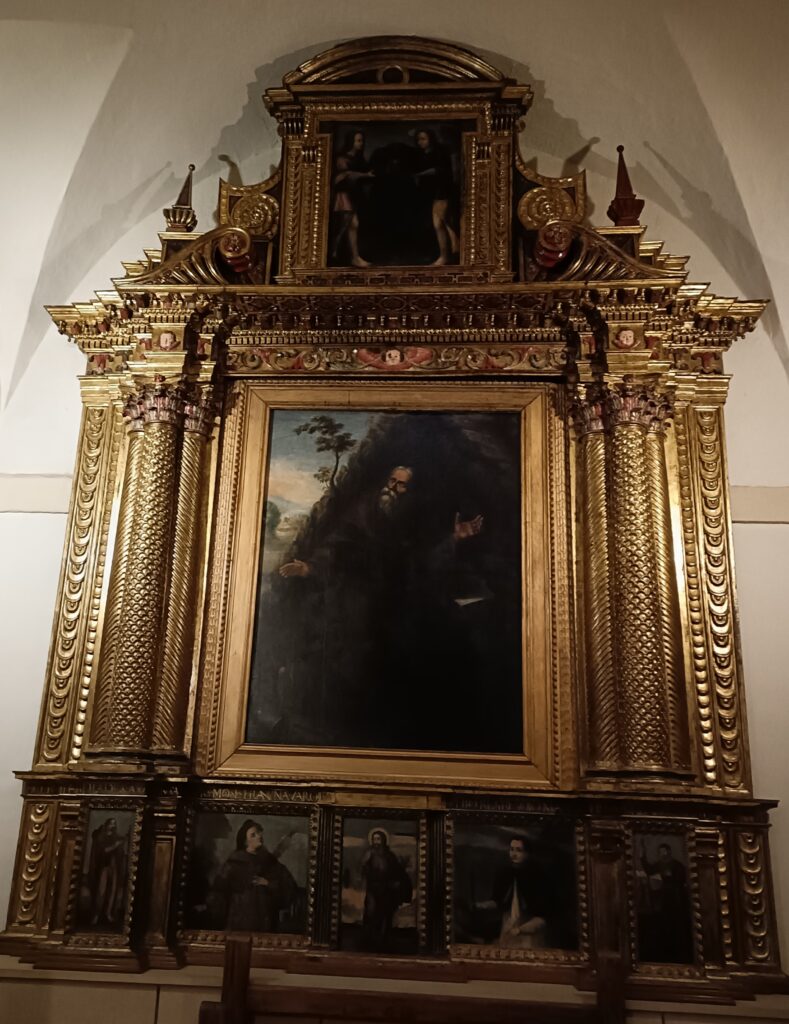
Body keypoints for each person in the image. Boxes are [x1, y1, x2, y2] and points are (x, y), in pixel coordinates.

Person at [209, 819, 297, 932]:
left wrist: (268, 883)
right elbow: (218, 892)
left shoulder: (271, 863)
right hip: (240, 921)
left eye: (259, 833)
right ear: (245, 841)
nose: (259, 836)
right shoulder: (233, 864)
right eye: (253, 835)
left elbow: (289, 886)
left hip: (265, 922)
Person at [490, 835, 549, 949]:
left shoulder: (538, 876)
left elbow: (542, 916)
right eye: (512, 849)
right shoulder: (505, 873)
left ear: (528, 853)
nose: (514, 854)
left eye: (519, 850)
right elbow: (498, 901)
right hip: (508, 925)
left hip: (529, 931)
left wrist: (520, 930)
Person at [638, 840, 693, 962]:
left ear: (668, 852)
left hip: (677, 898)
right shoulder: (660, 864)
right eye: (660, 852)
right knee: (664, 923)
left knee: (677, 925)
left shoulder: (677, 865)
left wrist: (669, 877)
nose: (662, 854)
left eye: (663, 852)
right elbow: (649, 870)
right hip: (665, 899)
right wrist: (642, 856)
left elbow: (681, 880)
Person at [359, 829, 413, 952]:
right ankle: (370, 940)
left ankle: (383, 941)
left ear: (384, 840)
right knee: (371, 913)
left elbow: (397, 871)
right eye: (374, 839)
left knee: (385, 914)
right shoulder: (369, 854)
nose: (376, 842)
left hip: (387, 891)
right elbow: (364, 870)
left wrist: (396, 881)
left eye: (378, 839)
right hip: (373, 890)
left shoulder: (390, 855)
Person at [413, 128, 459, 265]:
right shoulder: (422, 154)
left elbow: (438, 170)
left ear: (431, 139)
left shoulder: (439, 152)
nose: (420, 142)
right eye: (418, 139)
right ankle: (446, 254)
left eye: (423, 139)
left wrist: (419, 175)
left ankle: (446, 255)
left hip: (442, 191)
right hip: (430, 194)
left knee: (440, 223)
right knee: (438, 224)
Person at [332, 129, 374, 267]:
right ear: (351, 142)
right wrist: (365, 175)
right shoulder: (342, 158)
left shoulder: (359, 158)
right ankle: (335, 252)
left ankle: (352, 257)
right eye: (358, 141)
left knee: (352, 225)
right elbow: (346, 175)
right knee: (345, 225)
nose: (361, 143)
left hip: (353, 194)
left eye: (362, 141)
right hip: (344, 195)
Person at [87, 816, 127, 927]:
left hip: (113, 867)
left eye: (114, 824)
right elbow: (103, 851)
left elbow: (120, 852)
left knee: (112, 891)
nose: (113, 826)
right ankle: (96, 914)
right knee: (101, 891)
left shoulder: (116, 837)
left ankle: (108, 913)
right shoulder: (101, 837)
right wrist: (116, 845)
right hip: (104, 867)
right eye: (111, 823)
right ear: (107, 825)